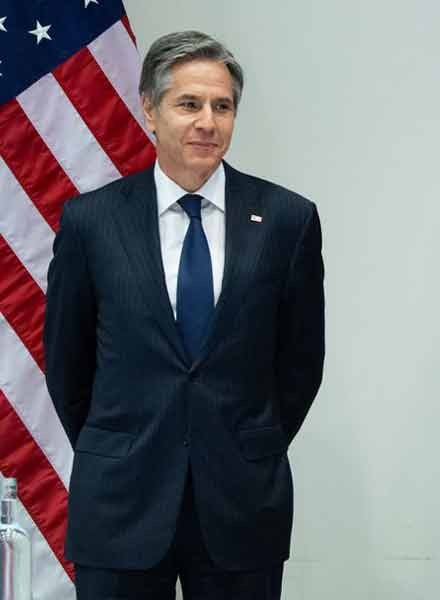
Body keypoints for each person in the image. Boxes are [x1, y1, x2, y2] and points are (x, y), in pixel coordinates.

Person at [44, 31, 324, 599]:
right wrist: (125, 443)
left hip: (242, 503)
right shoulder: (91, 222)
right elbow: (66, 366)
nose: (208, 122)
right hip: (121, 502)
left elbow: (300, 365)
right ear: (149, 108)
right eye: (189, 104)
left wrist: (240, 440)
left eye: (222, 107)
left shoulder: (287, 219)